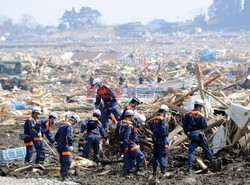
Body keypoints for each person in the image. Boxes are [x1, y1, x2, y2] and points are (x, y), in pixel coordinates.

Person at [183, 99, 221, 173]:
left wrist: (188, 134)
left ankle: (189, 168)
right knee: (206, 149)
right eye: (201, 106)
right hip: (200, 135)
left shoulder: (187, 114)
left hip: (192, 135)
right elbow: (204, 126)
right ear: (199, 106)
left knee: (191, 151)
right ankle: (212, 162)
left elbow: (185, 127)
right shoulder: (201, 115)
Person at [117, 110, 146, 176]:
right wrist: (127, 146)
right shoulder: (130, 125)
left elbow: (116, 133)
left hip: (124, 144)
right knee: (141, 156)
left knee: (129, 158)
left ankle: (127, 172)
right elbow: (126, 137)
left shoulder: (121, 123)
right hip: (130, 143)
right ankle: (138, 171)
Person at [55, 114, 80, 180]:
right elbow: (69, 136)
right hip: (64, 145)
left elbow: (56, 136)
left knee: (63, 160)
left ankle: (63, 175)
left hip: (60, 145)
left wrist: (57, 143)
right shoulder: (69, 126)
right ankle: (64, 176)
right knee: (67, 161)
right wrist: (71, 144)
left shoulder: (62, 125)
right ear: (74, 121)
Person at [151, 105, 170, 177]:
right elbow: (164, 130)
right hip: (162, 139)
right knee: (163, 155)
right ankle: (163, 172)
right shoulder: (163, 119)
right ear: (164, 111)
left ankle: (154, 171)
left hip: (156, 139)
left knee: (155, 155)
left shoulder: (154, 119)